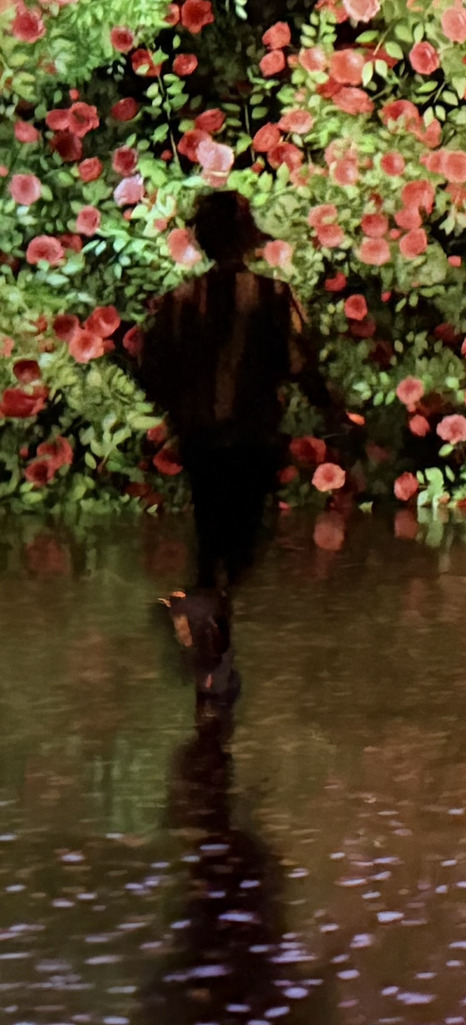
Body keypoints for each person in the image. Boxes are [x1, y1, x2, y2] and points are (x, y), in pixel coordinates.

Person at [125, 189, 355, 702]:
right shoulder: (272, 297)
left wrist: (182, 408)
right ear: (248, 239)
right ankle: (210, 656)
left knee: (215, 546)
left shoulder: (181, 302)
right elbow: (301, 364)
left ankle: (210, 657)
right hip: (251, 438)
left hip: (203, 439)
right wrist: (331, 411)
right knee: (243, 546)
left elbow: (150, 370)